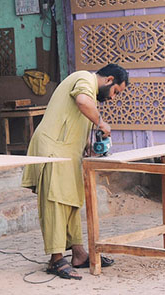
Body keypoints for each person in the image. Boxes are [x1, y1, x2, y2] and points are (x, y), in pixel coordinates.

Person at [21, 64, 129, 280]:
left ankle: (78, 254)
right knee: (55, 202)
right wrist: (100, 122)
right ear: (108, 80)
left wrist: (87, 146)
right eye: (116, 91)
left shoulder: (88, 90)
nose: (113, 97)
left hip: (68, 152)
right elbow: (81, 102)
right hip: (53, 149)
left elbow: (76, 116)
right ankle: (56, 259)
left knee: (72, 201)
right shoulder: (84, 79)